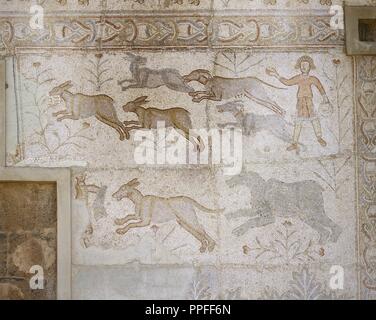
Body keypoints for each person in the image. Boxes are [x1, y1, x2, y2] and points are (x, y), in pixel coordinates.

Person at [267, 56, 329, 151]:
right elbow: (287, 82)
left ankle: (319, 138)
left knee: (314, 119)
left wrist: (325, 98)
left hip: (309, 101)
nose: (303, 67)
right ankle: (294, 143)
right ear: (299, 67)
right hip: (300, 102)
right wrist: (276, 75)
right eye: (302, 65)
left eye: (306, 65)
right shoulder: (298, 78)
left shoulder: (313, 78)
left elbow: (320, 87)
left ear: (310, 67)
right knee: (298, 122)